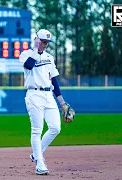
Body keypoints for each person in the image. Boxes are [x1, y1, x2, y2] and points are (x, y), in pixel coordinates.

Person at [19, 29, 75, 175]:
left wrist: (62, 102)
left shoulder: (49, 57)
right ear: (37, 40)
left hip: (48, 95)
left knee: (56, 127)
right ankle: (40, 164)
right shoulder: (26, 54)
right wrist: (36, 49)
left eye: (47, 43)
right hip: (34, 94)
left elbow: (54, 80)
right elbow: (29, 66)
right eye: (43, 42)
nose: (45, 45)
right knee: (37, 130)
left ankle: (36, 154)